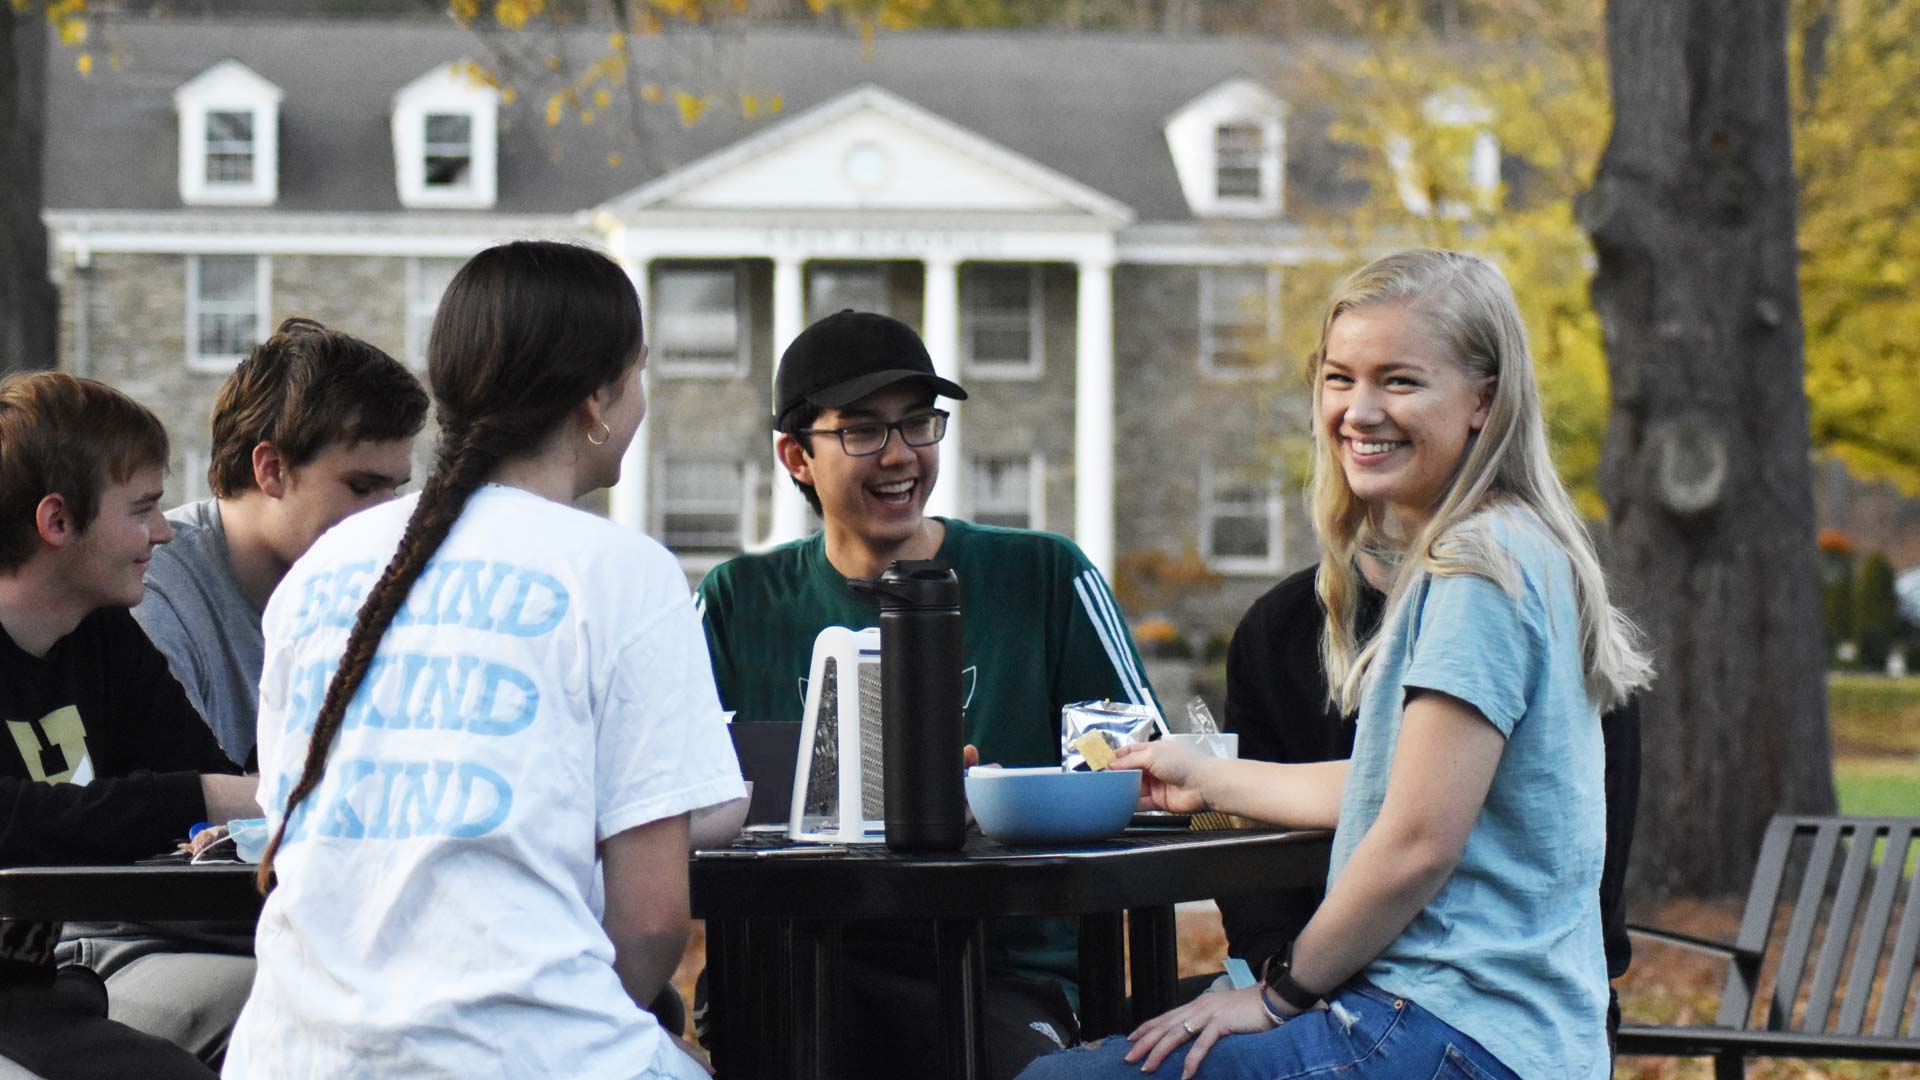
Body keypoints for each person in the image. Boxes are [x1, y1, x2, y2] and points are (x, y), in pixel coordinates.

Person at [1018, 249, 1655, 1080]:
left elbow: (1416, 841)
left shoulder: (1475, 569)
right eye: (1339, 378)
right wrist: (1202, 777)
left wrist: (1280, 994)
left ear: (1483, 401)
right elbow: (1398, 787)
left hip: (1453, 1029)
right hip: (1488, 1029)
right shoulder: (1510, 547)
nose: (1360, 410)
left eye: (1400, 381)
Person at [223, 241, 742, 1078]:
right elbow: (652, 925)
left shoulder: (318, 570)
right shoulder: (626, 572)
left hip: (292, 1054)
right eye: (639, 373)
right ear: (597, 400)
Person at [694, 309, 1159, 1079]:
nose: (900, 453)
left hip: (1002, 969)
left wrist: (997, 802)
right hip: (797, 965)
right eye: (862, 430)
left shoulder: (1043, 576)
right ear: (796, 456)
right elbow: (667, 793)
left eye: (918, 423)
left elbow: (1147, 775)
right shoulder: (737, 600)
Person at [1216, 565, 1641, 1048]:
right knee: (1153, 1043)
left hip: (1498, 1007)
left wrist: (1288, 989)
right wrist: (1276, 972)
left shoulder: (1532, 617)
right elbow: (1249, 862)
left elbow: (1583, 886)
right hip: (1312, 982)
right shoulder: (1277, 626)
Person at [0, 372, 261, 1080]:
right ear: (57, 522)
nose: (165, 531)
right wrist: (202, 798)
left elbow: (212, 797)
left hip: (46, 989)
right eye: (142, 508)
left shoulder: (101, 634)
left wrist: (215, 801)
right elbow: (13, 819)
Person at [133, 317, 428, 763]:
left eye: (396, 490)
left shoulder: (377, 592)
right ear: (271, 469)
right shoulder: (152, 590)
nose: (388, 516)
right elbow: (180, 792)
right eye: (362, 487)